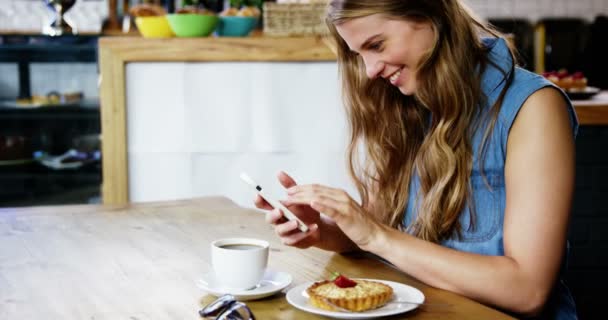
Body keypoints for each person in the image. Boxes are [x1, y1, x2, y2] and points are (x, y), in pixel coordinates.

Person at [253, 1, 578, 318]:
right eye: (359, 55)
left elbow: (527, 291)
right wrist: (322, 230)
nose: (369, 71)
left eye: (377, 45)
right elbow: (374, 232)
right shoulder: (406, 105)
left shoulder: (534, 108)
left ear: (430, 14)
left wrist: (374, 234)